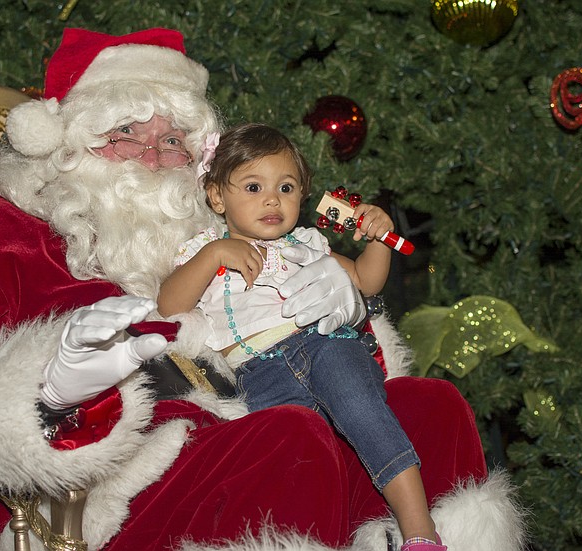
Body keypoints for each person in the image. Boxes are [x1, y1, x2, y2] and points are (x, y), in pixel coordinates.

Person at [0, 28, 522, 551]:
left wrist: (342, 309)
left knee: (431, 409)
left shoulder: (220, 229)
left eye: (175, 141)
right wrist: (47, 394)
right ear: (67, 145)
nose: (155, 157)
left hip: (262, 420)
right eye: (126, 135)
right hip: (99, 495)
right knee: (291, 440)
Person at [158, 123, 443, 550]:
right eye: (253, 187)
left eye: (287, 188)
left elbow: (366, 281)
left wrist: (379, 239)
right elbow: (168, 306)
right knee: (293, 459)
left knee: (365, 414)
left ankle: (420, 532)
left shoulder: (309, 244)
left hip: (328, 345)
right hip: (257, 374)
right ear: (217, 196)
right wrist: (214, 254)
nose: (272, 199)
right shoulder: (203, 249)